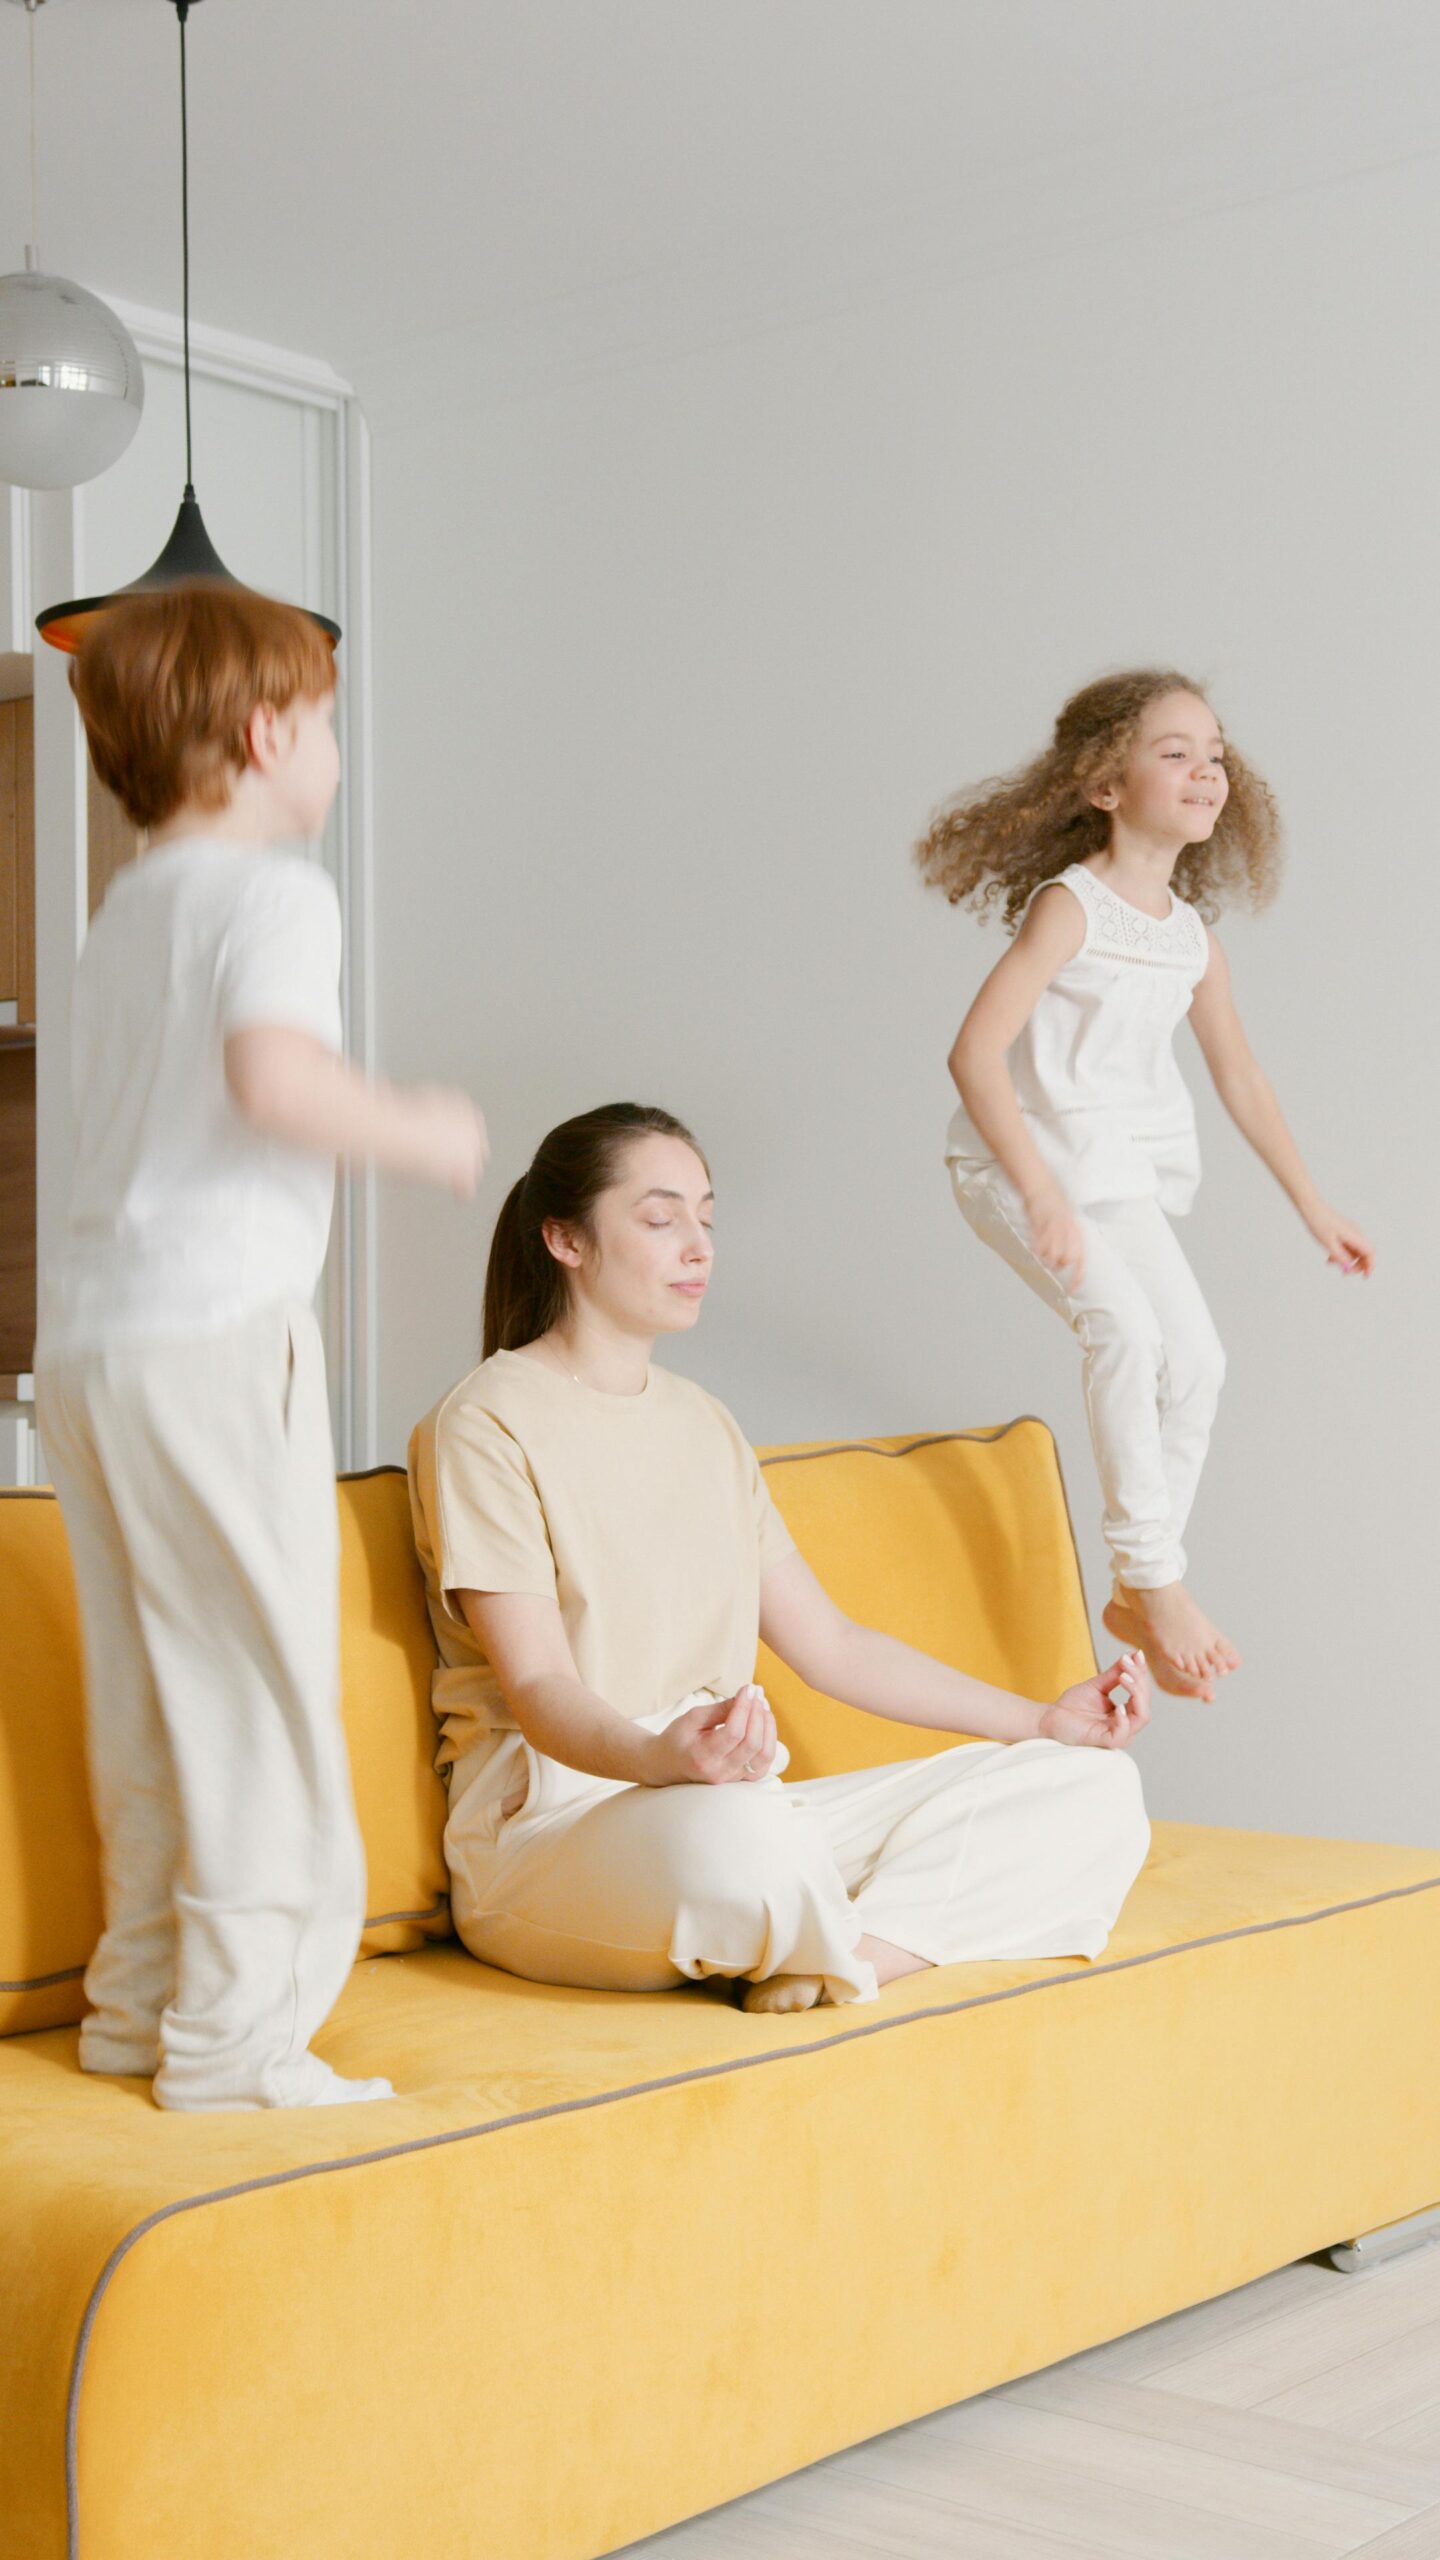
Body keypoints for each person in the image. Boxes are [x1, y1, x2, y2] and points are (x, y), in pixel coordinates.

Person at [35, 581, 489, 2111]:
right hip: (213, 1332)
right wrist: (421, 1127)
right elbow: (276, 1080)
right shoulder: (276, 896)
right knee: (258, 1690)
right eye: (330, 723)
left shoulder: (123, 913)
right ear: (264, 732)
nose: (339, 756)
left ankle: (139, 2003)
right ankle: (236, 2045)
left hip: (92, 1346)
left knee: (152, 1688)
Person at [408, 1103, 1150, 2016]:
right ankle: (818, 1928)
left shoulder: (705, 1424)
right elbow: (538, 1687)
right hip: (557, 1825)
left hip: (724, 1799)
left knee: (1091, 1786)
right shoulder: (484, 1421)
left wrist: (1042, 1721)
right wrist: (659, 1757)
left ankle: (849, 1958)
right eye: (661, 1218)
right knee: (739, 1842)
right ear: (564, 1239)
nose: (699, 1247)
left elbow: (835, 1646)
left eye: (707, 1219)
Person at [916, 669, 1373, 1702]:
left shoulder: (1190, 940)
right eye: (1175, 752)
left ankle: (1136, 1583)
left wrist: (1312, 1205)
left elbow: (1240, 1078)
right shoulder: (1070, 909)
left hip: (1111, 1176)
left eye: (1215, 754)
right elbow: (974, 1055)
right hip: (1016, 1163)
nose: (1206, 771)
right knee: (1124, 1332)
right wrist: (1037, 1191)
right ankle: (1157, 1579)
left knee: (1199, 1361)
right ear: (1104, 785)